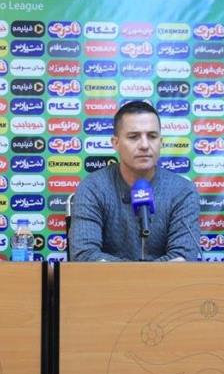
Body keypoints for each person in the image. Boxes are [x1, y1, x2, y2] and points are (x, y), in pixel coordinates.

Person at [69, 100, 200, 261]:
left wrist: (132, 273)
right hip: (112, 280)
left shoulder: (182, 190)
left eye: (152, 136)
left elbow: (183, 257)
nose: (144, 145)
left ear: (161, 142)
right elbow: (84, 255)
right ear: (115, 143)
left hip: (158, 281)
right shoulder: (93, 187)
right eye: (133, 137)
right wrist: (137, 274)